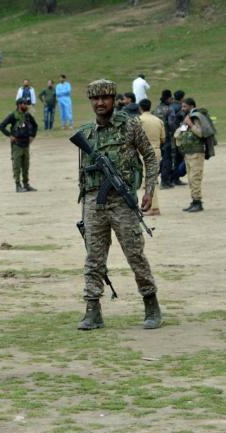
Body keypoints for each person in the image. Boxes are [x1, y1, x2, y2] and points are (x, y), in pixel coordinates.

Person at [76, 79, 162, 331]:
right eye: (95, 99)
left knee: (135, 254)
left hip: (122, 202)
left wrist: (149, 190)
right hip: (94, 203)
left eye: (105, 98)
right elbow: (83, 173)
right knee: (93, 258)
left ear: (114, 100)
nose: (100, 103)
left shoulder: (130, 126)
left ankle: (151, 303)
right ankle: (93, 310)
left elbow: (150, 157)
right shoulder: (86, 132)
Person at [174, 97, 207, 212]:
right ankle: (194, 201)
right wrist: (185, 125)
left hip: (196, 153)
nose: (182, 109)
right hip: (188, 153)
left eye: (185, 106)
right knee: (190, 178)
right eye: (182, 106)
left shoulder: (197, 118)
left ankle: (198, 202)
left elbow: (201, 133)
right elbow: (178, 134)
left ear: (191, 106)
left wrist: (190, 124)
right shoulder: (188, 118)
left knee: (195, 178)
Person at [0, 97, 38, 192]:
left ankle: (26, 184)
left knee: (26, 165)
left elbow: (35, 125)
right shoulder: (13, 115)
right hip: (17, 144)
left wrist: (32, 136)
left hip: (26, 144)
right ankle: (18, 185)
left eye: (26, 104)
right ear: (19, 105)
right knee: (17, 165)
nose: (26, 105)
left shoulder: (27, 115)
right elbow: (1, 126)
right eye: (24, 104)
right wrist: (10, 135)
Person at [138, 98, 164, 216]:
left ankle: (153, 207)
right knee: (153, 179)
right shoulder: (158, 120)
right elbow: (163, 138)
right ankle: (152, 206)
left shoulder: (138, 120)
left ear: (140, 108)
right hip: (156, 150)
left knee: (148, 180)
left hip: (144, 152)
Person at [152, 90, 174, 189]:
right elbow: (171, 124)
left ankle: (154, 179)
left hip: (157, 137)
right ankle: (165, 181)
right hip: (167, 137)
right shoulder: (169, 109)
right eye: (171, 98)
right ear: (168, 98)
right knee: (167, 159)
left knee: (158, 158)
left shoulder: (156, 109)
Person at [167, 90, 187, 186]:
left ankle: (169, 177)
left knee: (171, 157)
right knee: (179, 157)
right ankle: (175, 178)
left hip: (169, 135)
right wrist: (182, 132)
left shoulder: (170, 106)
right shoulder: (181, 108)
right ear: (182, 98)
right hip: (178, 136)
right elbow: (184, 123)